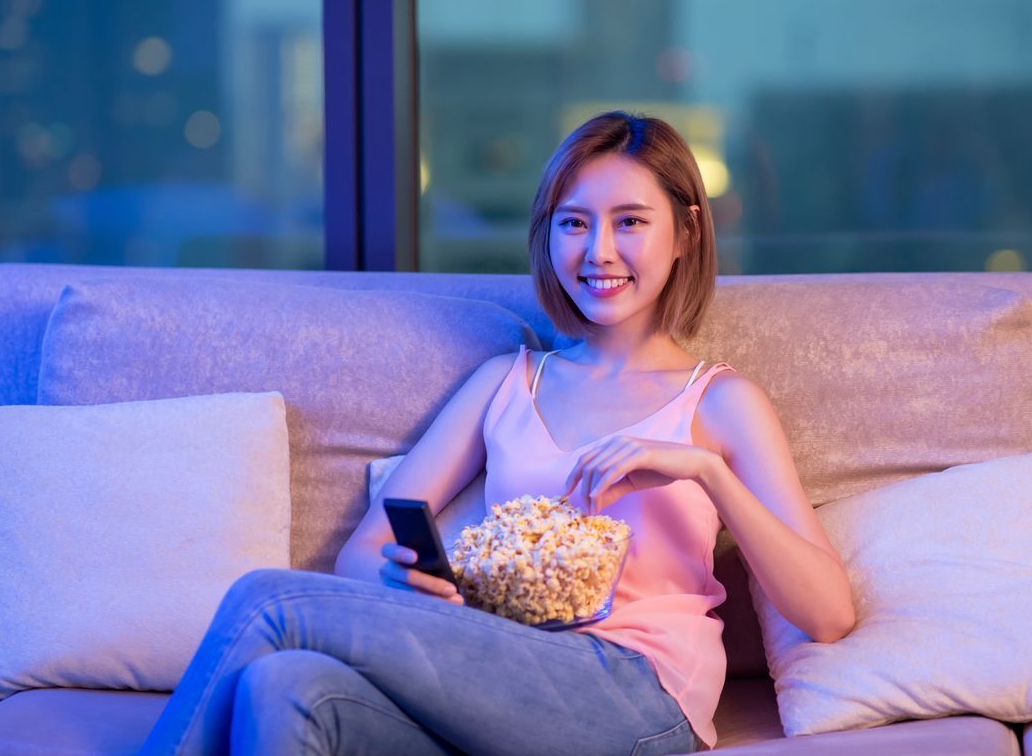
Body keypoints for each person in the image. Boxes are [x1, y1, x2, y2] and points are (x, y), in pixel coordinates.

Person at [138, 111, 855, 756]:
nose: (598, 251)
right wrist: (411, 583)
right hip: (493, 666)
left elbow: (827, 615)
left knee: (268, 601)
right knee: (284, 688)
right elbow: (361, 557)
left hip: (636, 693)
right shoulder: (505, 384)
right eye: (574, 223)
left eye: (630, 221)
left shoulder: (722, 402)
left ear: (686, 231)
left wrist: (706, 471)